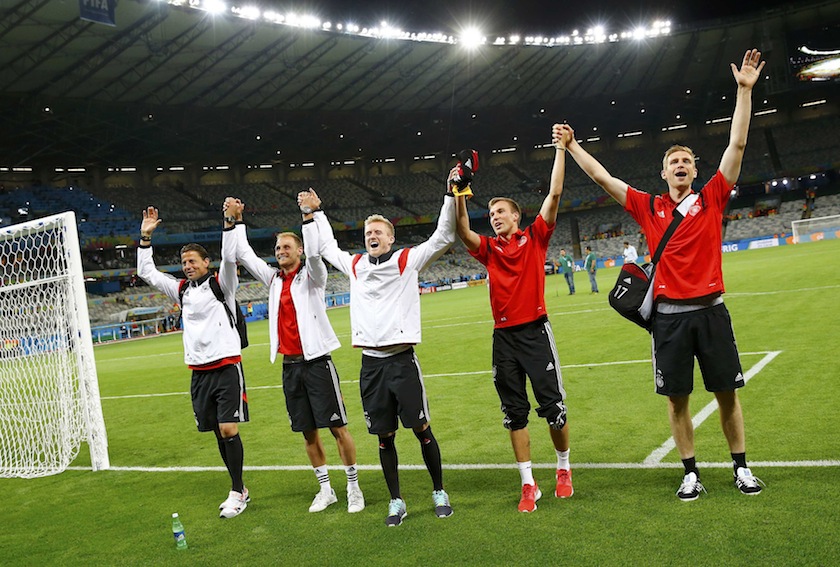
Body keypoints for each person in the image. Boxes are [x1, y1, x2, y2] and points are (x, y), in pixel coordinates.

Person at [561, 48, 767, 500]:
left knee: (728, 395)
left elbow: (737, 146)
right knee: (678, 400)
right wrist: (573, 146)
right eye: (673, 162)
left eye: (687, 162)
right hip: (670, 318)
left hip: (712, 311)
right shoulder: (647, 206)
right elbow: (602, 178)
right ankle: (690, 471)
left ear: (695, 171)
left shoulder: (712, 197)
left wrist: (744, 92)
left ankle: (741, 468)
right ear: (663, 172)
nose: (680, 166)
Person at [302, 182, 456, 527]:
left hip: (402, 361)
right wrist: (315, 212)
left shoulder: (405, 260)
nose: (371, 235)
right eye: (368, 232)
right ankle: (396, 500)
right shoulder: (356, 266)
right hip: (370, 365)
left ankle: (439, 491)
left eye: (378, 232)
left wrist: (450, 195)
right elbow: (327, 246)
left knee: (421, 428)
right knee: (384, 437)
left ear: (390, 238)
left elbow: (443, 236)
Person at [453, 126, 575, 513]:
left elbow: (554, 193)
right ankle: (527, 484)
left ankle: (563, 468)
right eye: (489, 214)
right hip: (503, 337)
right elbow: (462, 231)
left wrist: (562, 149)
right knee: (513, 414)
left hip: (536, 332)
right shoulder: (489, 251)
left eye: (499, 212)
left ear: (516, 215)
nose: (493, 218)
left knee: (553, 409)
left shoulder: (536, 237)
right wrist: (458, 192)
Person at [223, 197, 365, 515]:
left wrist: (308, 214)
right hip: (290, 367)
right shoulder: (274, 280)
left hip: (317, 363)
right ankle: (325, 489)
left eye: (287, 247)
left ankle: (353, 487)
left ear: (299, 250)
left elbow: (316, 253)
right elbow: (243, 254)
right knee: (307, 431)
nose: (280, 252)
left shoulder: (313, 276)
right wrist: (234, 221)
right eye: (277, 249)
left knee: (338, 427)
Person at [136, 205, 250, 519]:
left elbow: (229, 259)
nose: (187, 266)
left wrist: (229, 223)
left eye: (192, 261)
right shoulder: (182, 290)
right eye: (184, 262)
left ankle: (237, 491)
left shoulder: (222, 285)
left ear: (205, 263)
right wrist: (145, 238)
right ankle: (238, 487)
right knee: (217, 432)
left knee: (228, 429)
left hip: (226, 366)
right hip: (199, 372)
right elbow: (147, 273)